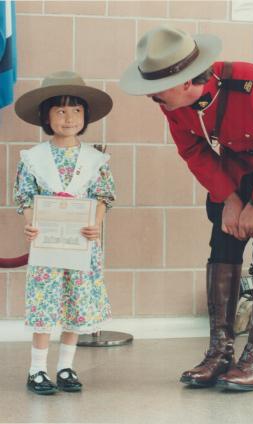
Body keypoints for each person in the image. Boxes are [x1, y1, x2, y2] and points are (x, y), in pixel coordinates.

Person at [119, 26, 253, 392]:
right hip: (240, 159)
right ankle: (220, 352)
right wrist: (230, 199)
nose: (151, 95)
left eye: (157, 87)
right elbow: (194, 152)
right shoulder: (172, 103)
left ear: (185, 81)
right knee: (224, 239)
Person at [13, 71, 116, 395]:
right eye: (60, 110)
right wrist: (30, 223)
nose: (68, 118)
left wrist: (96, 222)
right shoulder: (33, 158)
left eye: (76, 111)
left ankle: (66, 367)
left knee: (76, 303)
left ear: (85, 116)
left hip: (82, 244)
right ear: (46, 116)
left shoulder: (95, 159)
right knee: (46, 304)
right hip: (47, 245)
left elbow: (104, 195)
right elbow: (25, 196)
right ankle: (38, 370)